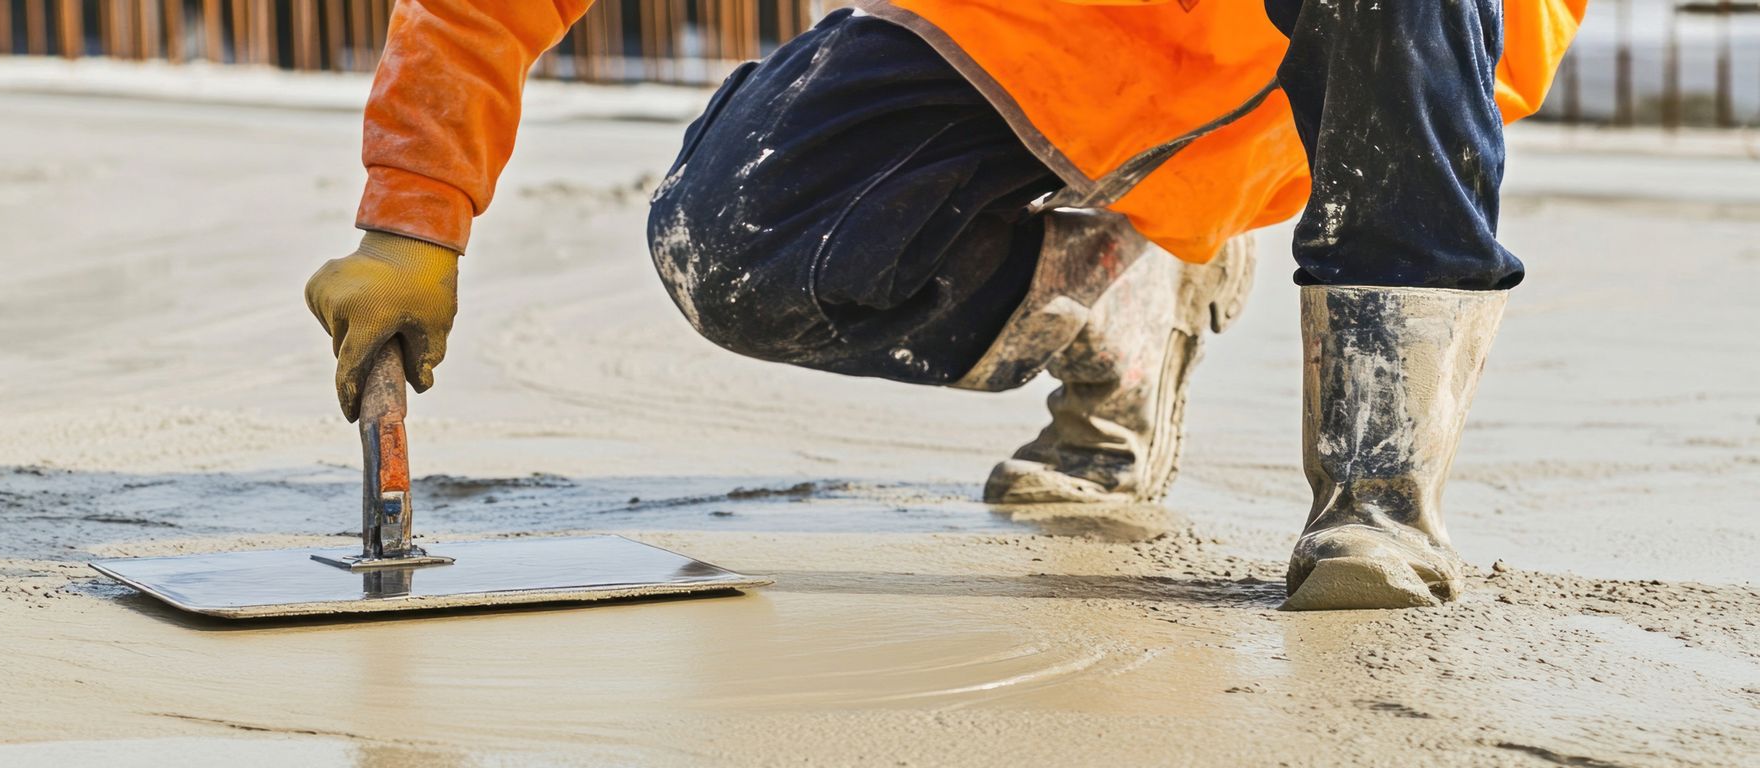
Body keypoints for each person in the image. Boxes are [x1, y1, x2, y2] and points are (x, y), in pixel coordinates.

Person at [306, 0, 1583, 610]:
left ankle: (1376, 497)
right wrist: (412, 217)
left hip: (1334, 61)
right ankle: (1120, 304)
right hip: (1037, 32)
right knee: (734, 243)